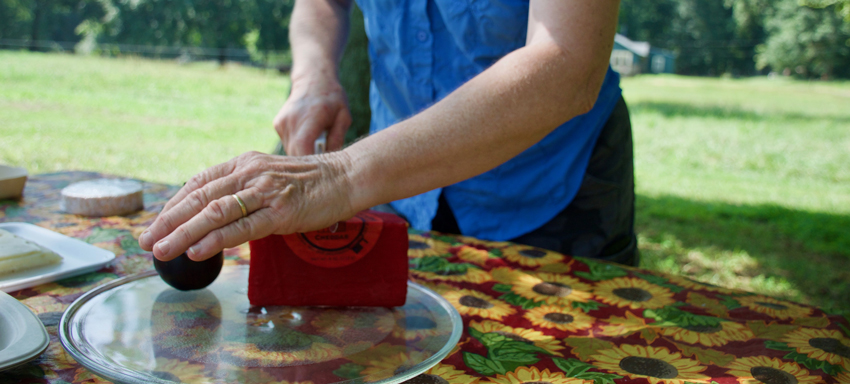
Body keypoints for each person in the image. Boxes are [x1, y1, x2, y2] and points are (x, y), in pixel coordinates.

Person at [139, 0, 638, 267]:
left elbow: (567, 67)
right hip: (400, 188)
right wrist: (312, 77)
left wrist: (339, 175)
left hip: (553, 189)